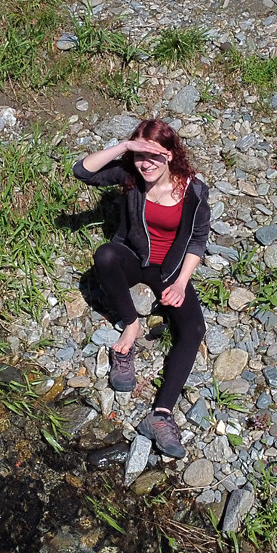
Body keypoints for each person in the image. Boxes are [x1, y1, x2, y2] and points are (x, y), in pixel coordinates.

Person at [73, 119, 210, 459]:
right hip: (134, 259)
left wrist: (180, 283)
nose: (146, 164)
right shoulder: (132, 176)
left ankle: (160, 416)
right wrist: (124, 148)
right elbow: (82, 171)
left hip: (169, 271)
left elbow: (197, 240)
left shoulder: (193, 191)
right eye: (141, 157)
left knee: (193, 329)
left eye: (154, 157)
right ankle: (130, 328)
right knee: (105, 255)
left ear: (170, 154)